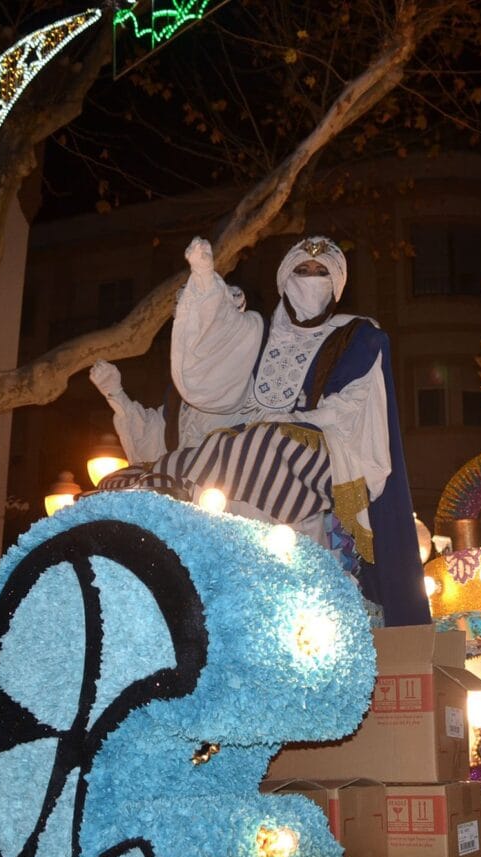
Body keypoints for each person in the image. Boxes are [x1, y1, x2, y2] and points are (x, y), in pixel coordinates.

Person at [89, 235, 429, 626]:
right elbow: (215, 369)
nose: (311, 278)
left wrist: (294, 422)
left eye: (321, 273)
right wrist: (206, 285)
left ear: (337, 284)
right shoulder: (259, 332)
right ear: (284, 278)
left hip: (324, 448)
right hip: (247, 446)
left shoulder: (358, 334)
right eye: (303, 270)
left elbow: (354, 406)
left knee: (264, 442)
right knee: (168, 469)